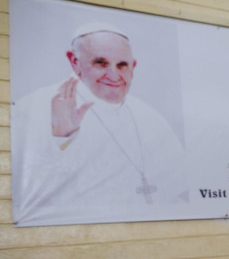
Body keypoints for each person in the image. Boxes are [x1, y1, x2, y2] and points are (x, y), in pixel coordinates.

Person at [12, 22, 187, 224]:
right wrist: (60, 139)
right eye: (101, 63)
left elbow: (180, 187)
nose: (114, 76)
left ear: (133, 67)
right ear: (74, 61)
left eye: (122, 65)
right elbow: (23, 192)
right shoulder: (33, 108)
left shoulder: (147, 115)